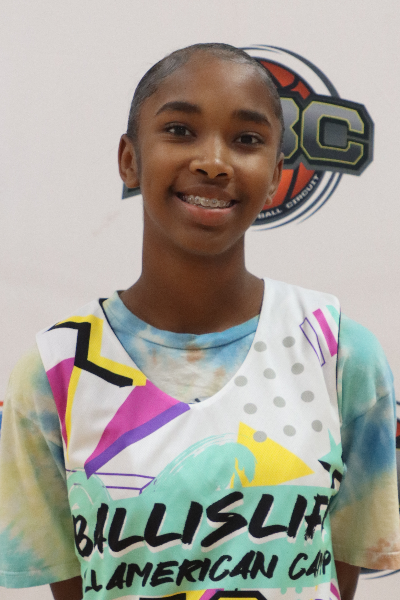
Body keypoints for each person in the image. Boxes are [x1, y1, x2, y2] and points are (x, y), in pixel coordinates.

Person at [0, 43, 399, 600]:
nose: (213, 161)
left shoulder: (338, 353)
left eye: (247, 139)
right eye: (180, 131)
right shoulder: (56, 373)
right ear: (129, 159)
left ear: (276, 172)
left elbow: (342, 570)